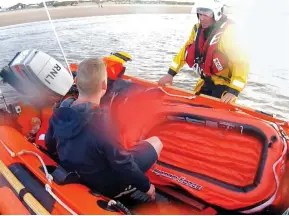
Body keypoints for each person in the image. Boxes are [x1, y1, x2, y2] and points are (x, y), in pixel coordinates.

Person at [45, 57, 163, 200]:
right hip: (106, 185)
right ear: (104, 85)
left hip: (74, 173)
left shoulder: (61, 111)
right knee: (156, 142)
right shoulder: (103, 123)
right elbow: (123, 165)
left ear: (76, 82)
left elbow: (49, 144)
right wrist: (146, 186)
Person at [158, 0, 249, 104]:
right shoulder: (197, 30)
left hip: (225, 86)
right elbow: (184, 51)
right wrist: (170, 74)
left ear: (217, 13)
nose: (202, 18)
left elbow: (241, 63)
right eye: (200, 14)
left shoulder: (229, 33)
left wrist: (234, 91)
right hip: (206, 81)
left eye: (206, 14)